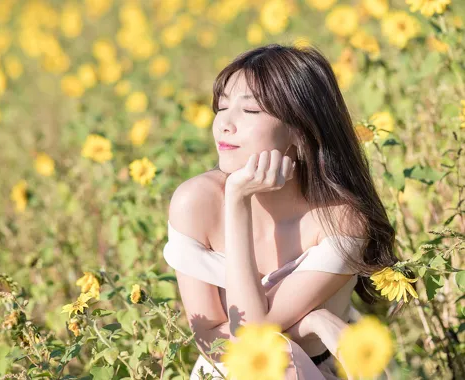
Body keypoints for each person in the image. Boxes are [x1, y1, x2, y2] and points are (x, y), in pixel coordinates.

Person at [162, 44, 398, 379]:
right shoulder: (194, 202)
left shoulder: (339, 217)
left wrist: (238, 201)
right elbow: (218, 340)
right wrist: (314, 322)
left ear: (300, 132)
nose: (225, 125)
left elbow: (255, 335)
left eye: (251, 111)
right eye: (222, 106)